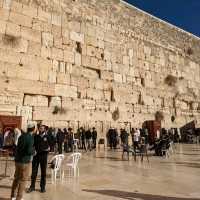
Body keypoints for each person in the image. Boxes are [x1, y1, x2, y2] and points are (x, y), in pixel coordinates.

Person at [11, 123, 35, 200]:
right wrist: (33, 152)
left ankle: (13, 196)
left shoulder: (22, 136)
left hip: (17, 161)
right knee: (23, 180)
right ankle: (19, 197)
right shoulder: (30, 138)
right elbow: (29, 150)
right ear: (34, 129)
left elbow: (18, 147)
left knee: (16, 178)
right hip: (25, 162)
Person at [27, 125, 50, 193]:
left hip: (44, 156)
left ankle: (42, 187)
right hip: (36, 157)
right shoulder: (35, 136)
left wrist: (49, 148)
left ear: (44, 129)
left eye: (42, 128)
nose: (41, 129)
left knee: (43, 173)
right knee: (34, 172)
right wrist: (33, 151)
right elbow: (32, 145)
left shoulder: (47, 137)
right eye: (40, 128)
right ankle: (32, 186)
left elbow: (51, 144)